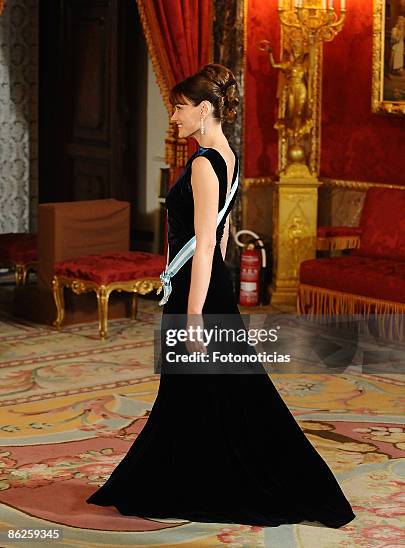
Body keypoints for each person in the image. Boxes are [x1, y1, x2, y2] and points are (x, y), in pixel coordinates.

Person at [86, 63, 355, 528]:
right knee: (208, 390)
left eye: (180, 107)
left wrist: (192, 315)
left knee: (228, 388)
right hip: (209, 284)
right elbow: (225, 232)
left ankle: (213, 479)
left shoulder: (203, 164)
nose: (174, 116)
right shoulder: (226, 156)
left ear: (205, 109)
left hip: (200, 291)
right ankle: (186, 473)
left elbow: (208, 242)